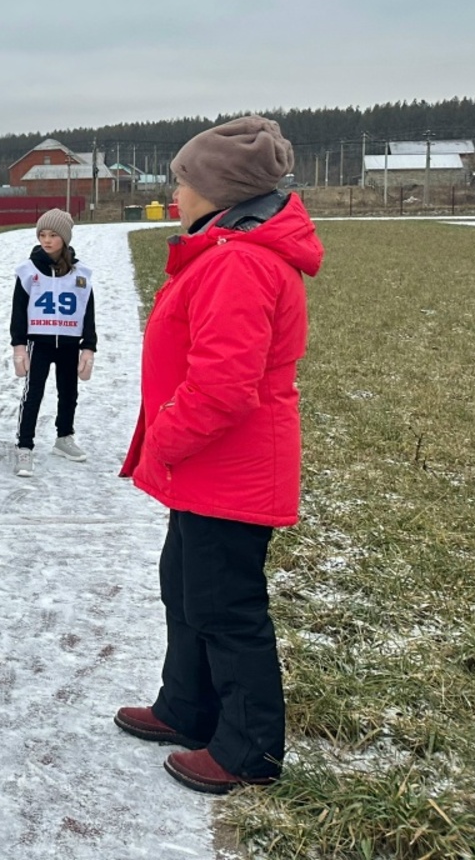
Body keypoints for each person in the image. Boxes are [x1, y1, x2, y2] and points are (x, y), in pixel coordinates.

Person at [116, 115, 321, 796]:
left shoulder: (238, 262)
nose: (174, 193)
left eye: (181, 181)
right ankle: (187, 708)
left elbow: (223, 387)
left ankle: (248, 750)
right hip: (206, 470)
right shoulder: (224, 249)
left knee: (227, 609)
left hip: (227, 466)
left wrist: (164, 437)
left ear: (218, 188)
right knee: (185, 589)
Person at [9, 209, 96, 478]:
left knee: (69, 392)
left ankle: (64, 436)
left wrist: (89, 347)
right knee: (33, 393)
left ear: (65, 239)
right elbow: (19, 310)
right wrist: (19, 346)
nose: (46, 240)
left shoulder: (81, 274)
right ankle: (25, 445)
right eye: (42, 235)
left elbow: (88, 310)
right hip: (40, 342)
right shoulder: (27, 271)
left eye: (53, 235)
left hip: (69, 342)